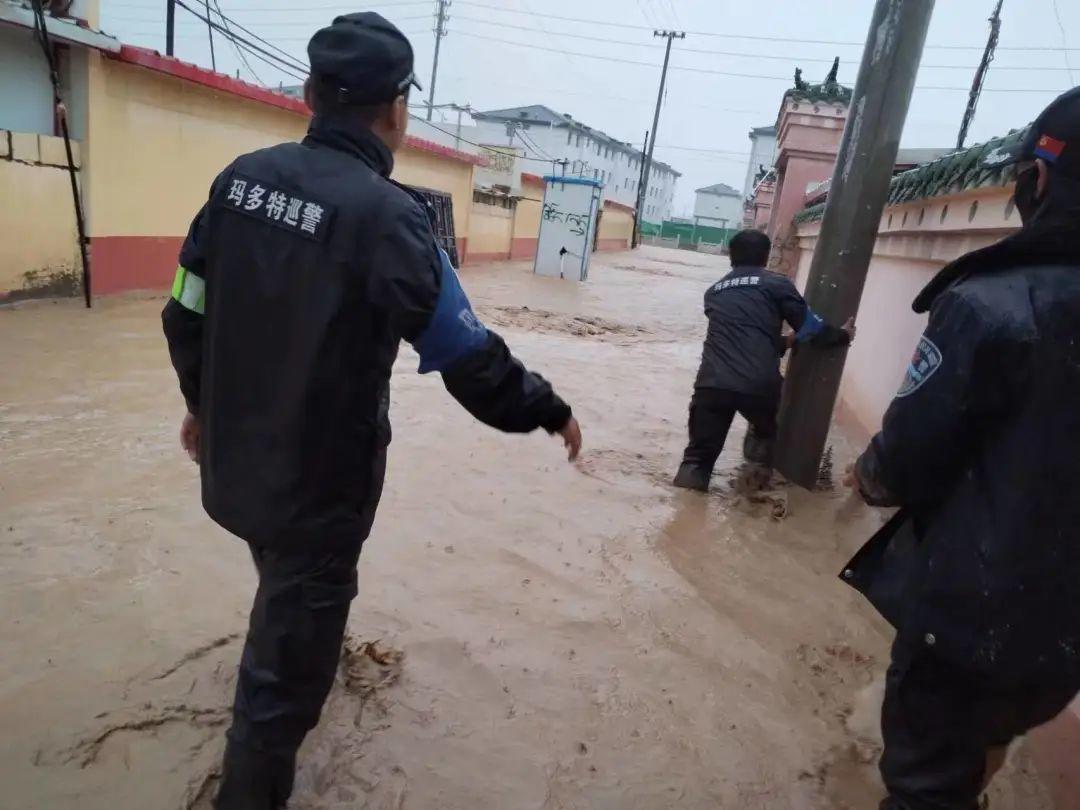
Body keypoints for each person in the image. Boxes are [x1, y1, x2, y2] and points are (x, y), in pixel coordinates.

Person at [162, 13, 581, 809]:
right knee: (274, 703)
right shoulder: (390, 218)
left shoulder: (238, 180)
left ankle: (294, 647)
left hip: (236, 464)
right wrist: (548, 409)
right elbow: (463, 354)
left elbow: (186, 310)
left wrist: (201, 405)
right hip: (319, 492)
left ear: (312, 94)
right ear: (396, 111)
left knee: (282, 596)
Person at [845, 86, 1080, 810]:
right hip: (1063, 635)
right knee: (983, 749)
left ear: (1035, 180)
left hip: (967, 622)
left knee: (921, 785)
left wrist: (865, 474)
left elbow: (904, 462)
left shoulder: (990, 303)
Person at [673, 229, 853, 491]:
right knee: (764, 438)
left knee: (696, 459)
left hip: (710, 385)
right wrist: (843, 335)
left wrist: (785, 342)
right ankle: (751, 495)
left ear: (731, 257)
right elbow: (812, 329)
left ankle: (685, 515)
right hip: (758, 388)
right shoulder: (776, 285)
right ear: (766, 256)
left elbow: (737, 336)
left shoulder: (713, 293)